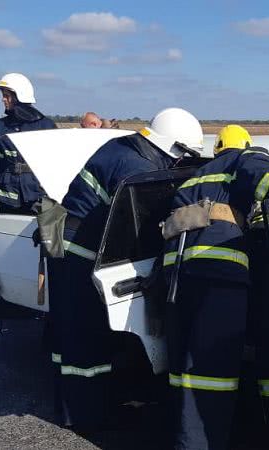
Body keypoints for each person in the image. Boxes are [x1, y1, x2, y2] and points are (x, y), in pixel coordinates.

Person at [163, 125, 269, 449]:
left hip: (177, 274)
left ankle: (184, 437)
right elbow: (261, 176)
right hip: (219, 269)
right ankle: (204, 443)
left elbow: (173, 222)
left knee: (183, 364)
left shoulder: (195, 175)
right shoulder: (245, 157)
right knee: (213, 368)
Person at [46, 107, 204, 430]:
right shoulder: (137, 167)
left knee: (67, 332)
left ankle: (70, 405)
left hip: (67, 243)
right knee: (83, 337)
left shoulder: (125, 146)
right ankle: (84, 415)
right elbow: (150, 223)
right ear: (173, 147)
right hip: (79, 251)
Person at [0, 73, 57, 214]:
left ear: (20, 96)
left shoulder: (46, 125)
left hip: (39, 197)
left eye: (7, 95)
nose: (3, 99)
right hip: (8, 198)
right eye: (3, 95)